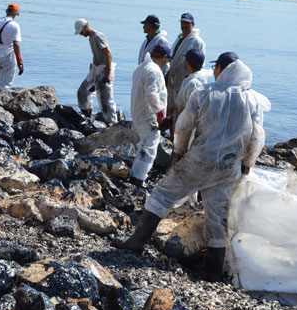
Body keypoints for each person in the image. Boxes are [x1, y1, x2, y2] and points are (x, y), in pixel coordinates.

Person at [116, 52, 271, 282]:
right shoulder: (253, 100)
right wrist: (248, 162)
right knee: (218, 217)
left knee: (161, 196)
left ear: (220, 69)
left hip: (199, 160)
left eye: (216, 68)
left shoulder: (204, 93)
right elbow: (257, 136)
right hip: (228, 167)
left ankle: (135, 242)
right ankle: (213, 273)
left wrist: (179, 152)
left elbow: (184, 127)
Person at [129, 44, 169, 187]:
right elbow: (152, 94)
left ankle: (136, 174)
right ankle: (139, 178)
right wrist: (160, 114)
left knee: (143, 144)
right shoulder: (154, 71)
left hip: (138, 112)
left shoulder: (141, 67)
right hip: (148, 115)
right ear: (164, 58)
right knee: (150, 146)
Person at [74, 18, 117, 123]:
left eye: (81, 32)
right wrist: (93, 65)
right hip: (96, 69)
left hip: (104, 69)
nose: (81, 34)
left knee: (106, 100)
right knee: (82, 92)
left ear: (86, 27)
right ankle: (87, 115)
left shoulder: (98, 36)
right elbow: (98, 54)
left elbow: (108, 54)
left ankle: (112, 123)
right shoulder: (91, 38)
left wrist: (107, 73)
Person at [165, 12, 205, 116]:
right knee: (170, 109)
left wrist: (189, 78)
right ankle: (171, 132)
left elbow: (199, 64)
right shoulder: (179, 39)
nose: (184, 25)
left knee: (182, 111)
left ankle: (178, 132)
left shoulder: (197, 41)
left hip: (185, 81)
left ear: (193, 24)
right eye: (182, 22)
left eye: (187, 23)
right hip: (173, 80)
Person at [168, 48, 210, 131]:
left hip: (187, 131)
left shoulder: (193, 83)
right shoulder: (197, 79)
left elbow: (192, 112)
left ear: (187, 63)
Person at [0, 3, 24, 91]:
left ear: (6, 11)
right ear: (16, 13)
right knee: (6, 82)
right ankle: (0, 101)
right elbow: (16, 44)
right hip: (8, 53)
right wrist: (20, 61)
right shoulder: (15, 25)